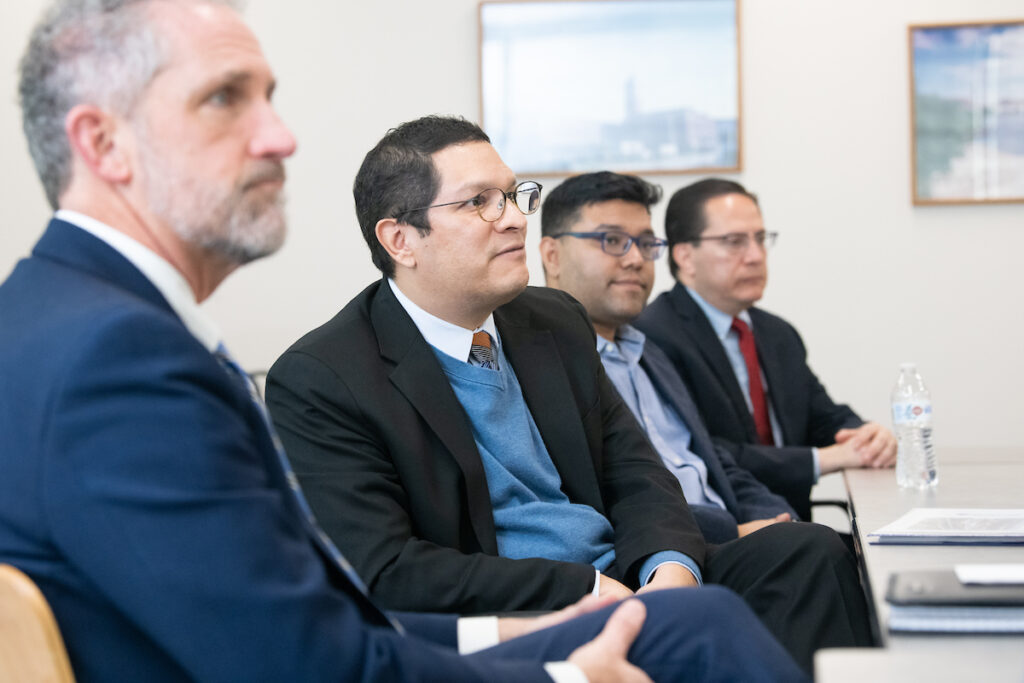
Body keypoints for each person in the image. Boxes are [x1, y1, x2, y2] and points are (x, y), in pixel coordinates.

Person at [0, 2, 808, 682]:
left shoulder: (64, 313)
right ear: (102, 144)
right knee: (695, 629)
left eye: (270, 98)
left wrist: (512, 640)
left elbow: (317, 621)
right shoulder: (118, 360)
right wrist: (558, 672)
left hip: (426, 631)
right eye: (224, 99)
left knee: (743, 585)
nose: (281, 136)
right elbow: (306, 661)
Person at [266, 117, 871, 674]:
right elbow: (387, 569)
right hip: (517, 612)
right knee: (701, 621)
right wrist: (585, 587)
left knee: (807, 551)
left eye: (511, 195)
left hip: (628, 575)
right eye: (479, 202)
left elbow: (638, 472)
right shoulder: (324, 376)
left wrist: (669, 567)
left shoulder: (552, 319)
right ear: (401, 239)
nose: (513, 219)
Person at [538, 171, 799, 544]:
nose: (635, 259)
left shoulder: (649, 353)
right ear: (552, 255)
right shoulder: (543, 368)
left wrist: (775, 518)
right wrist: (737, 532)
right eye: (612, 240)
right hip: (669, 557)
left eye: (645, 243)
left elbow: (714, 464)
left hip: (732, 540)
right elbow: (604, 503)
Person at [634, 178, 897, 520]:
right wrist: (824, 460)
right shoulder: (654, 335)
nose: (756, 256)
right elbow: (705, 452)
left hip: (796, 526)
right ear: (685, 255)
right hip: (726, 534)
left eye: (760, 239)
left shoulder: (776, 332)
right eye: (734, 242)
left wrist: (866, 437)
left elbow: (823, 416)